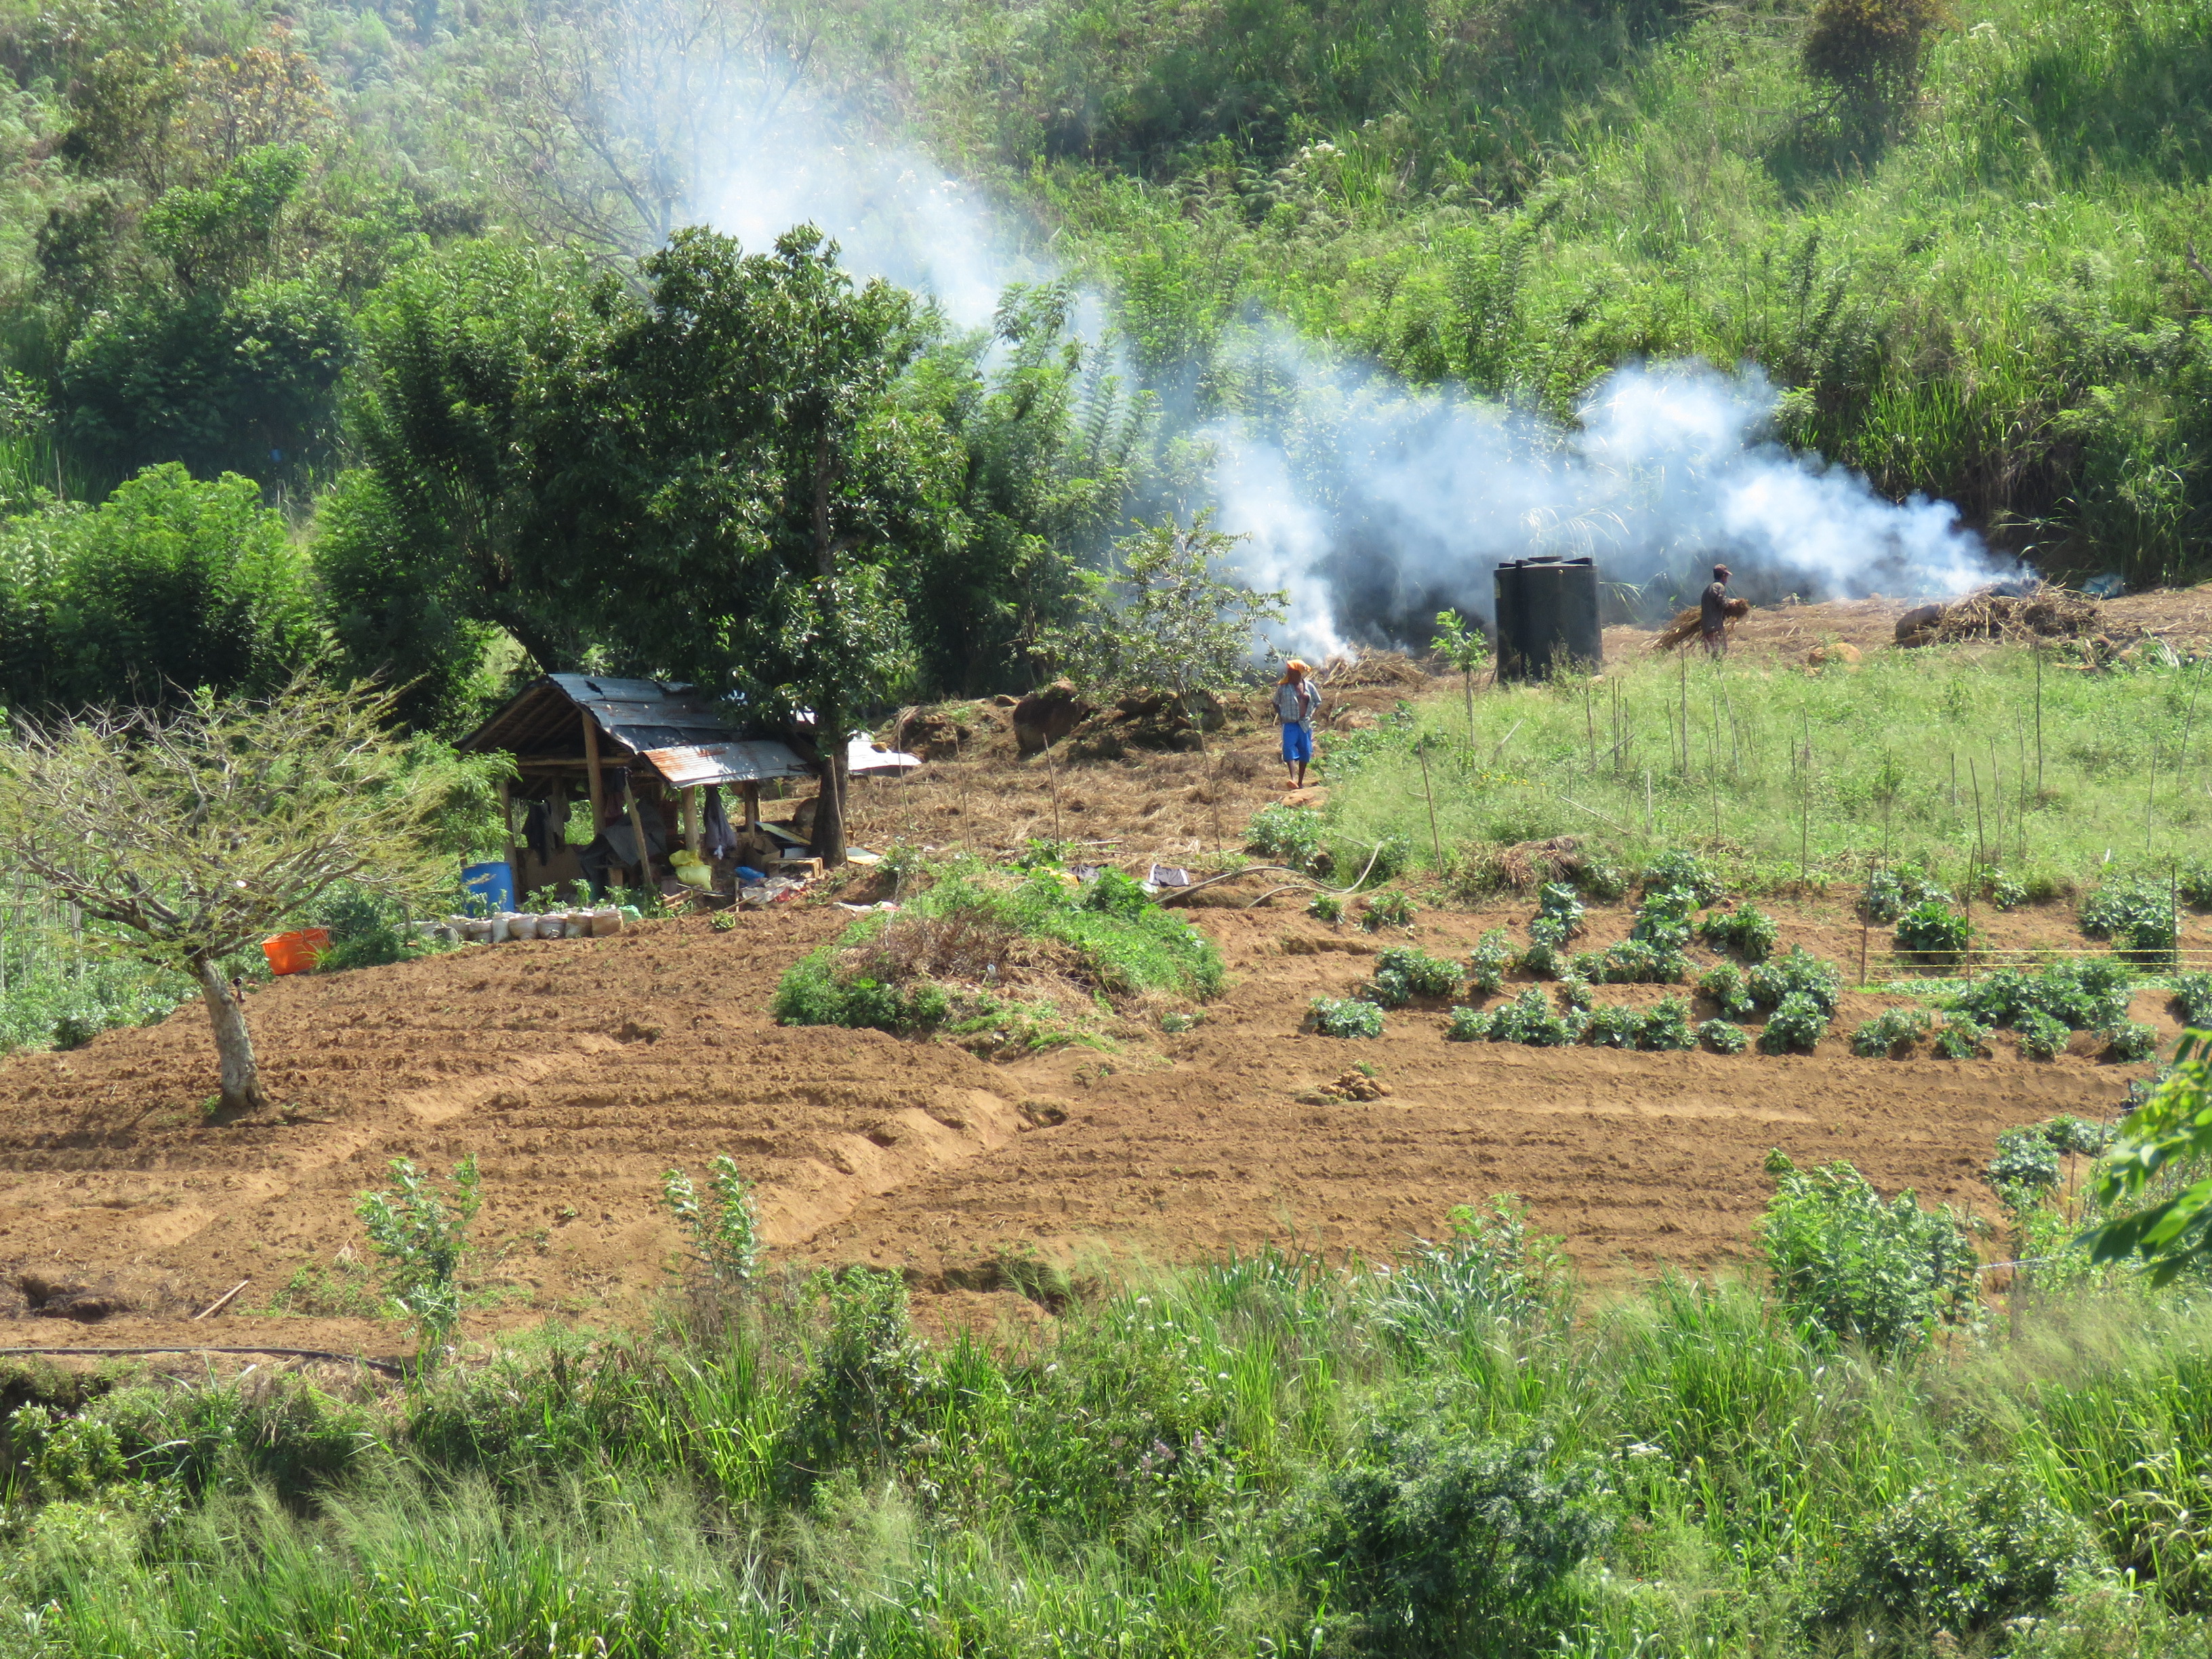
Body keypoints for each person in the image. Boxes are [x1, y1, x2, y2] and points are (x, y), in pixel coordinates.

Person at [1273, 659, 1322, 790]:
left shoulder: (1309, 687)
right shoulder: (1283, 688)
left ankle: (1300, 782)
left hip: (1304, 724)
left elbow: (1317, 702)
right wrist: (1281, 716)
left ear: (1299, 673)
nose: (1290, 675)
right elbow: (1275, 702)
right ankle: (1293, 778)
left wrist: (1311, 714)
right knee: (1288, 748)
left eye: (1293, 672)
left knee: (1305, 751)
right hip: (1290, 723)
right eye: (1289, 672)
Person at [1700, 563, 1733, 655]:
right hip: (1715, 626)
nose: (1727, 579)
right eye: (1726, 576)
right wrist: (1732, 603)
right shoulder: (1720, 587)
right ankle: (1718, 664)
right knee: (1720, 651)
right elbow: (1722, 602)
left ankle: (1713, 664)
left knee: (1711, 651)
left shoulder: (1709, 588)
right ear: (1723, 576)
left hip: (1706, 626)